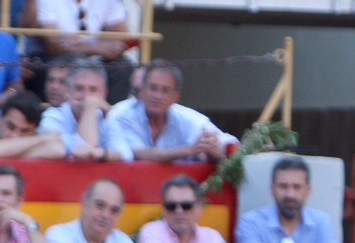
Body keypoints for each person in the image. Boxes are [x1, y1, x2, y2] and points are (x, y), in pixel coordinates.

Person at [234, 156, 349, 243]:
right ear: (272, 189)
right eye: (283, 186)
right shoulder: (251, 222)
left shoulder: (321, 221)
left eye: (297, 187)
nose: (290, 194)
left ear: (308, 190)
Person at [104, 60, 234, 164]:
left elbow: (228, 143)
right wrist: (190, 150)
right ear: (142, 90)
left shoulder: (187, 117)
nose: (157, 96)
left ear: (176, 97)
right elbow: (141, 154)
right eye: (153, 88)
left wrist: (214, 148)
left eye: (165, 90)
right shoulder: (122, 114)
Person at [136, 175, 246, 243]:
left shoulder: (211, 236)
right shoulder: (151, 232)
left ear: (199, 209)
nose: (179, 211)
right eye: (171, 206)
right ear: (164, 209)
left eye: (186, 206)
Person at [45, 177, 151, 243]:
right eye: (100, 205)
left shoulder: (121, 240)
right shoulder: (59, 234)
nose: (106, 215)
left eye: (114, 210)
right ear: (84, 204)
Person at [32, 0, 131, 103]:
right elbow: (52, 45)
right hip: (57, 57)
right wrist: (95, 48)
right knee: (78, 62)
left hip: (92, 57)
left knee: (123, 66)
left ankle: (109, 114)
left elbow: (122, 39)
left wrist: (89, 46)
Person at [40, 56, 129, 162]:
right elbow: (80, 151)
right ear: (68, 91)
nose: (86, 96)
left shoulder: (108, 117)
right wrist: (90, 109)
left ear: (104, 93)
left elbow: (126, 154)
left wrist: (102, 153)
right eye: (79, 88)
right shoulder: (52, 117)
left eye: (93, 90)